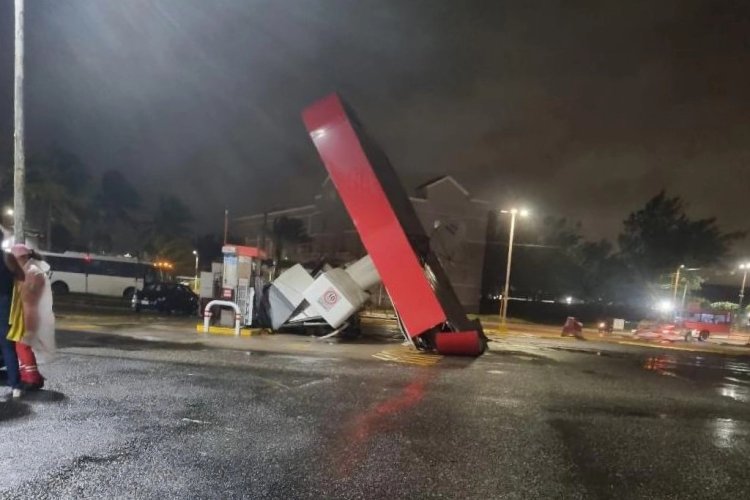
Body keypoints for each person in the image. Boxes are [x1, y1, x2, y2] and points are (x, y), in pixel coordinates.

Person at [10, 244, 55, 391]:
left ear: (22, 257)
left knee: (23, 345)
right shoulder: (29, 270)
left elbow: (29, 299)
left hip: (29, 313)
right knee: (21, 346)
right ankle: (30, 376)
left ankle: (32, 378)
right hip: (26, 313)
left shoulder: (31, 273)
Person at [0, 244, 25, 399]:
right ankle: (16, 386)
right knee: (8, 346)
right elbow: (21, 276)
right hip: (5, 303)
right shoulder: (7, 256)